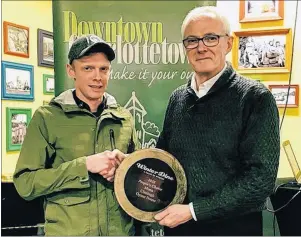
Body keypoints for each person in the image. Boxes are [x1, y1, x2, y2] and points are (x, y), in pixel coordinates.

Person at [155, 6, 280, 236]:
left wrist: (194, 210)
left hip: (234, 230)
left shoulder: (254, 98)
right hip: (179, 228)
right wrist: (130, 167)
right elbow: (163, 159)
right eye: (192, 40)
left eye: (211, 38)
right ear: (185, 48)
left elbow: (260, 180)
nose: (201, 47)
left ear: (228, 44)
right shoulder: (178, 99)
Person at [13, 34, 139, 236]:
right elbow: (25, 184)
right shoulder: (47, 118)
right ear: (71, 70)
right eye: (88, 68)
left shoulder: (124, 118)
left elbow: (137, 185)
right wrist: (85, 166)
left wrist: (126, 167)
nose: (97, 77)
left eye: (103, 69)